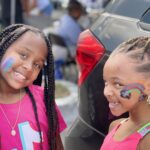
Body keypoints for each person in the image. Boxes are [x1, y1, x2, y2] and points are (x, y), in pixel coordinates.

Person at [0, 24, 66, 150]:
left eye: (37, 65)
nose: (29, 67)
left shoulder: (43, 99)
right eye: (23, 55)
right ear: (3, 47)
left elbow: (56, 145)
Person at [100, 37, 150, 150]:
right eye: (105, 82)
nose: (106, 92)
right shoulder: (115, 126)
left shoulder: (147, 141)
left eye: (118, 84)